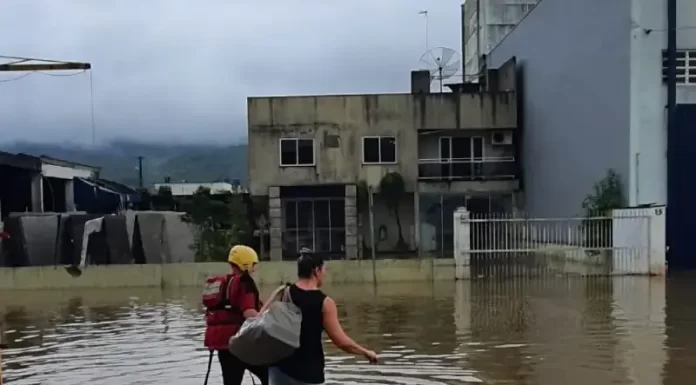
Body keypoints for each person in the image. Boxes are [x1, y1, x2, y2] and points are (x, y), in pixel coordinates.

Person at [264, 247, 378, 385]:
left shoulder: (283, 292)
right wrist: (365, 352)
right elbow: (340, 341)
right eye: (324, 270)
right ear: (316, 271)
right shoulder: (324, 303)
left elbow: (259, 320)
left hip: (279, 370)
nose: (325, 274)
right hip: (308, 373)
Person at [203, 245, 268, 385]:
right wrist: (267, 321)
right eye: (253, 265)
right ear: (245, 264)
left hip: (223, 345)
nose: (254, 269)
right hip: (240, 343)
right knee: (270, 374)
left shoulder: (223, 283)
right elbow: (249, 313)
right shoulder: (245, 283)